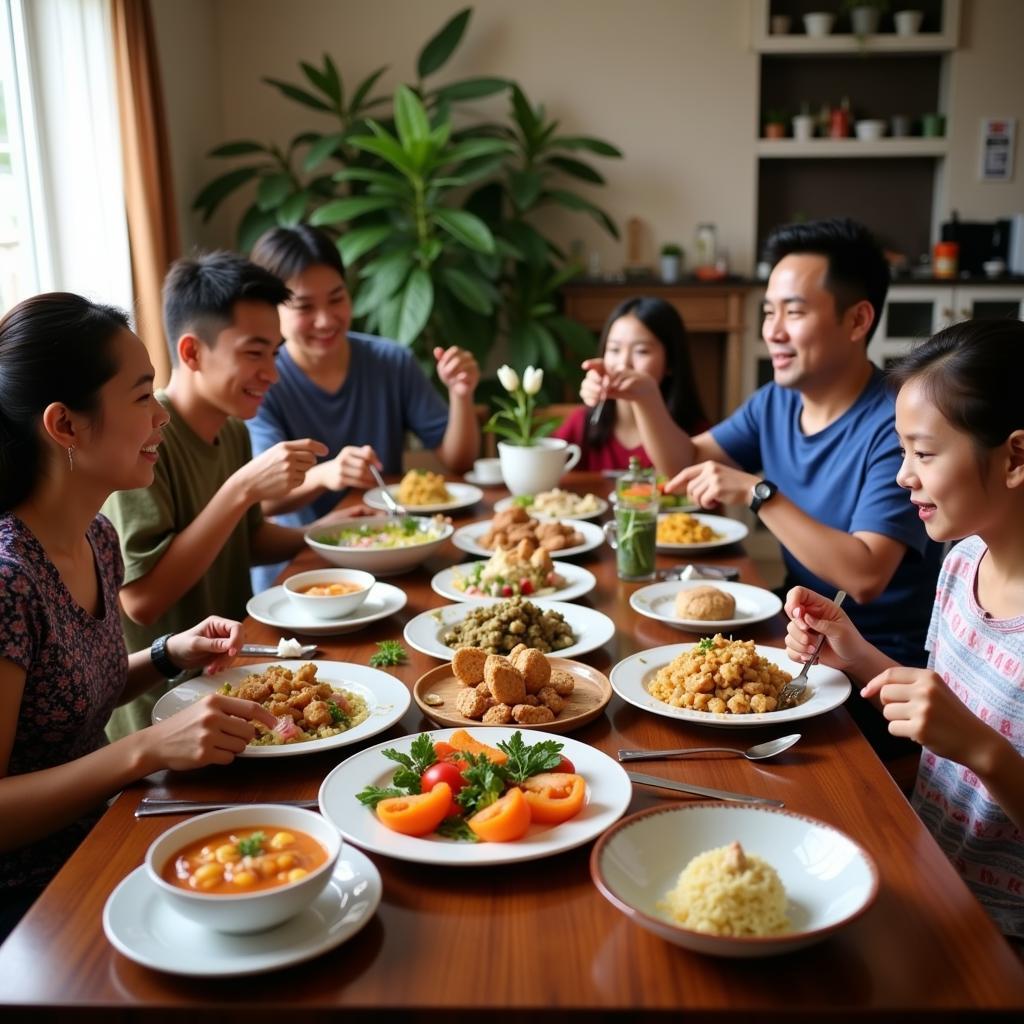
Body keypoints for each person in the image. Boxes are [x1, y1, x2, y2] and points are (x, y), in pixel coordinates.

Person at [0, 293, 277, 940]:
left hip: (108, 830)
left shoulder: (97, 537)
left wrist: (164, 656)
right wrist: (144, 749)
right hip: (34, 903)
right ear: (65, 426)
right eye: (142, 397)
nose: (161, 418)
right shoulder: (8, 583)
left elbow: (63, 699)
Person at [662, 218, 941, 760]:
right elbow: (684, 463)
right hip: (795, 641)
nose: (773, 329)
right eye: (769, 311)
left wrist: (760, 493)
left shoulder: (895, 422)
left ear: (858, 319)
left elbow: (863, 575)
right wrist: (645, 396)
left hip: (877, 675)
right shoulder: (778, 401)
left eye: (794, 311)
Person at [784, 319, 1024, 941]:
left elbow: (968, 737)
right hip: (930, 868)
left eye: (925, 453)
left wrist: (982, 750)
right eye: (902, 451)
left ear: (1015, 457)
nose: (903, 476)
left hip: (1001, 929)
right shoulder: (964, 560)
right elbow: (940, 705)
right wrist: (854, 653)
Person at [101, 251, 367, 739]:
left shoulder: (232, 429)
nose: (272, 372)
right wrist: (240, 489)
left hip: (232, 685)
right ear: (192, 352)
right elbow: (142, 599)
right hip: (163, 716)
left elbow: (246, 540)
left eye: (274, 353)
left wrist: (335, 532)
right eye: (254, 352)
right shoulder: (145, 439)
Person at [247, 224, 481, 591]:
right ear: (269, 309)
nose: (326, 320)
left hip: (393, 558)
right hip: (300, 575)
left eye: (337, 298)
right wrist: (327, 473)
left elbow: (460, 461)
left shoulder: (392, 361)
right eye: (305, 307)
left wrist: (461, 394)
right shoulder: (261, 381)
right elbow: (261, 501)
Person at [556, 296, 709, 472]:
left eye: (641, 351)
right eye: (614, 349)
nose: (623, 364)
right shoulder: (582, 423)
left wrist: (646, 397)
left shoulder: (698, 436)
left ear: (671, 363)